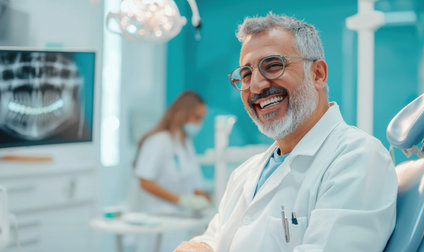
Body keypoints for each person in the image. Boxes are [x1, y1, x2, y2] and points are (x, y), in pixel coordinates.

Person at [174, 13, 397, 252]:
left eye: (272, 66)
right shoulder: (246, 173)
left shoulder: (358, 159)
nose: (257, 85)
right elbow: (215, 237)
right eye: (247, 74)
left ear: (318, 74)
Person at [131, 90, 211, 252]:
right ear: (183, 114)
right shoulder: (159, 141)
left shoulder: (185, 143)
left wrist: (206, 201)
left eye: (201, 119)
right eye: (197, 118)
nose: (199, 123)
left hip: (181, 221)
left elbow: (192, 182)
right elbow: (144, 181)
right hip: (159, 220)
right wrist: (180, 200)